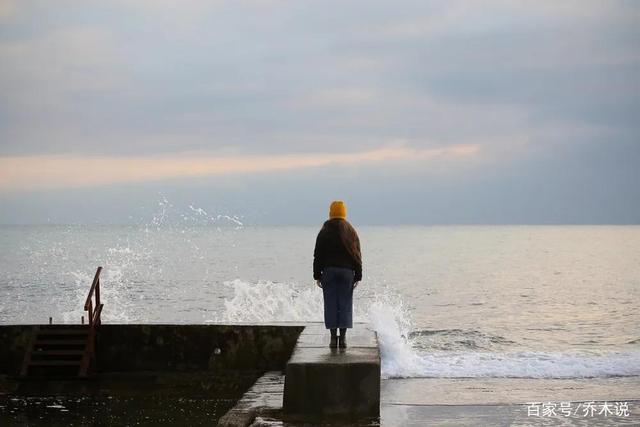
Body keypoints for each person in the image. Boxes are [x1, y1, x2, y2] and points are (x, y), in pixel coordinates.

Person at [313, 200, 362, 349]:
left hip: (329, 272)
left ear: (330, 213)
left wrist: (317, 275)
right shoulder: (351, 231)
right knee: (345, 304)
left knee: (331, 304)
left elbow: (318, 255)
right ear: (344, 213)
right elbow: (357, 255)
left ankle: (334, 339)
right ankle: (344, 338)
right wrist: (358, 275)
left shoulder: (324, 231)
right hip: (347, 272)